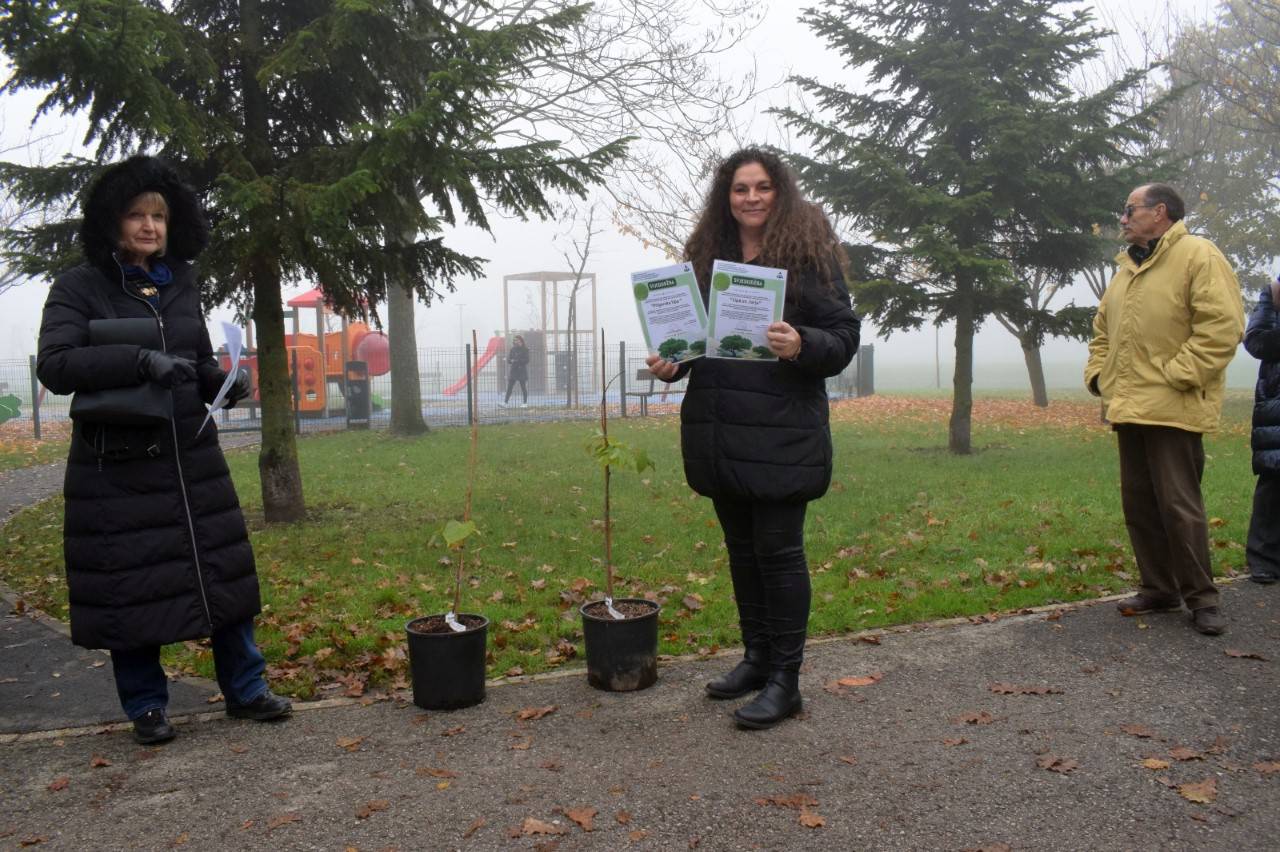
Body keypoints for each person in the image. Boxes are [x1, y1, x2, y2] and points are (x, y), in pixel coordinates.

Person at [37, 155, 291, 744]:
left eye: (159, 216)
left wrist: (219, 381)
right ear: (111, 221)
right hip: (118, 465)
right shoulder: (80, 286)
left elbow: (195, 355)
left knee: (220, 574)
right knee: (132, 584)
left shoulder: (181, 282)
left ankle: (247, 690)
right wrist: (138, 361)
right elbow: (57, 365)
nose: (149, 226)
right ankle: (147, 706)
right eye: (135, 215)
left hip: (190, 453)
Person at [646, 148, 860, 728]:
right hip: (719, 427)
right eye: (740, 189)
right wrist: (673, 363)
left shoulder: (808, 255)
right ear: (726, 196)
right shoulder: (706, 255)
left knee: (780, 554)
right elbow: (694, 339)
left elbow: (843, 335)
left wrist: (802, 344)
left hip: (781, 431)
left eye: (762, 187)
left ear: (779, 192)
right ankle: (757, 659)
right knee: (743, 553)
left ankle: (787, 680)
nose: (751, 198)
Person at [1084, 183, 1245, 636]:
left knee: (1179, 506)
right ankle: (1159, 588)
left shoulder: (1198, 254)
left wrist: (1178, 375)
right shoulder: (1126, 270)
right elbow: (1102, 330)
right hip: (1130, 405)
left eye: (1130, 209)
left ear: (1160, 212)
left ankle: (1202, 598)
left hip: (1173, 405)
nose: (1123, 217)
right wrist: (1099, 375)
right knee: (1138, 503)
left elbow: (1223, 327)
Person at [1244, 275, 1280, 584]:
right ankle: (1264, 559)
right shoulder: (1275, 292)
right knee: (1274, 478)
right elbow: (1256, 341)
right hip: (1277, 401)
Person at [504, 334, 530, 407]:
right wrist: (510, 360)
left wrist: (517, 361)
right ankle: (505, 403)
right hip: (514, 370)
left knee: (523, 387)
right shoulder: (512, 349)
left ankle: (525, 403)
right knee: (510, 387)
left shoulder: (525, 349)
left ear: (521, 340)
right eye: (514, 340)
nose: (515, 341)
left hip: (521, 370)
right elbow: (509, 359)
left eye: (517, 340)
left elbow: (527, 360)